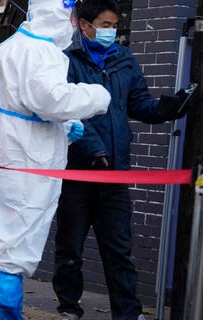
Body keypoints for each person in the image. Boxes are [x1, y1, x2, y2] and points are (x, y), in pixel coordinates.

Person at [51, 1, 195, 319]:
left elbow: (139, 104)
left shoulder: (124, 59)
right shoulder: (65, 60)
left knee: (119, 249)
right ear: (84, 25)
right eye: (104, 25)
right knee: (70, 248)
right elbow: (65, 110)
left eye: (114, 25)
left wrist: (171, 106)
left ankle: (128, 313)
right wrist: (93, 150)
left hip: (115, 174)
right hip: (79, 173)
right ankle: (69, 308)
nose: (111, 31)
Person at [0, 0, 114, 318]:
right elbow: (48, 99)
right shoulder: (44, 51)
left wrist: (63, 129)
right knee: (15, 244)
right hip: (29, 162)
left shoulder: (11, 44)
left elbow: (22, 102)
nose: (71, 21)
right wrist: (96, 96)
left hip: (6, 149)